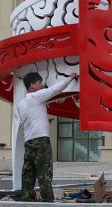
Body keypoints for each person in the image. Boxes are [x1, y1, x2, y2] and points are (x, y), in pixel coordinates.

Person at [18, 72, 78, 202]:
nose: (42, 86)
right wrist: (70, 78)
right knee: (44, 171)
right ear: (32, 85)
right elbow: (55, 89)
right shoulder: (36, 96)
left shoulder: (21, 104)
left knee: (28, 173)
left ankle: (26, 199)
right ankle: (47, 200)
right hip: (41, 141)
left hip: (29, 141)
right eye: (39, 83)